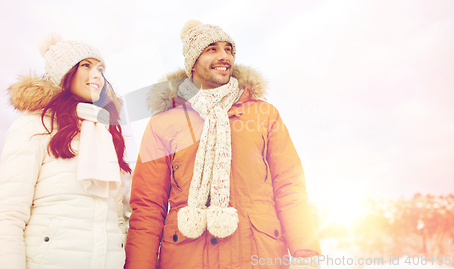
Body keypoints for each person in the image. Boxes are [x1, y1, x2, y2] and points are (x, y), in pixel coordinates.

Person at [125, 20, 321, 269]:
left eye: (229, 49)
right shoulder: (164, 122)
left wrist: (306, 253)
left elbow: (290, 188)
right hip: (187, 258)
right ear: (192, 62)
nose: (224, 56)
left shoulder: (264, 115)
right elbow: (148, 205)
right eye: (212, 49)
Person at [0, 33, 131, 269]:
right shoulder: (34, 127)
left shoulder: (104, 134)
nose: (97, 75)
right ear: (64, 73)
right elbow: (8, 216)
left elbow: (115, 219)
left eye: (101, 69)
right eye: (86, 65)